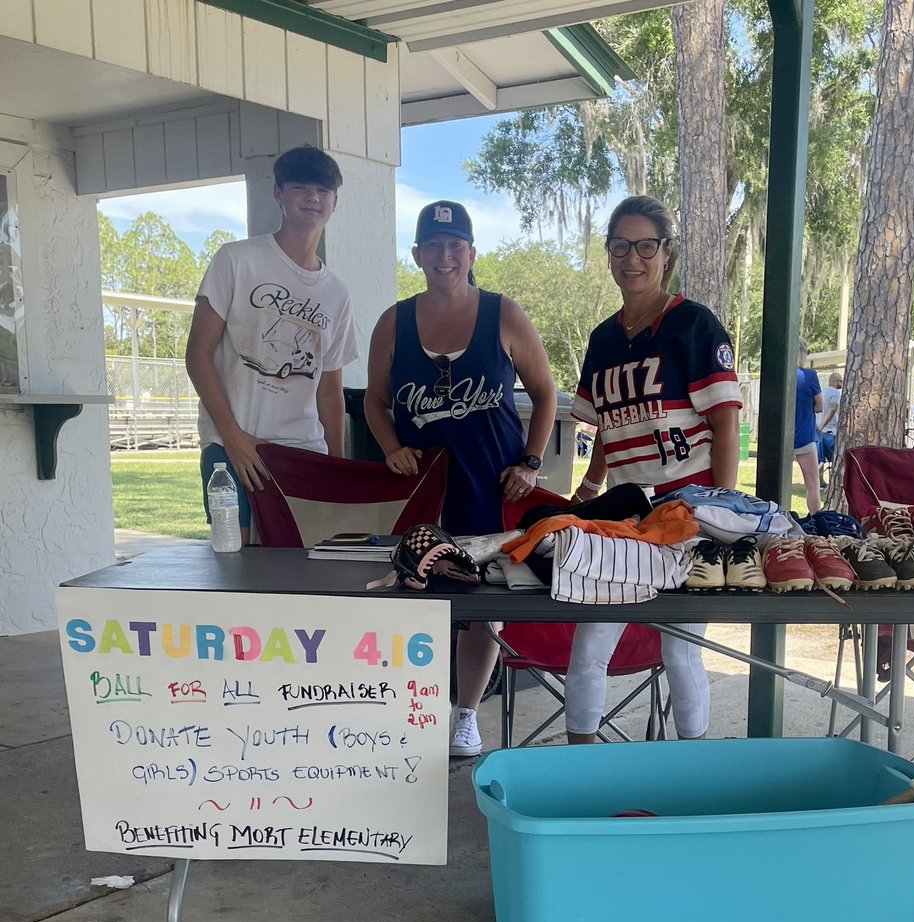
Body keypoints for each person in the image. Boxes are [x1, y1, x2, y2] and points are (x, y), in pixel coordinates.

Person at [364, 200, 557, 756]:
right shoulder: (394, 320)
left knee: (482, 605)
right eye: (433, 245)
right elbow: (376, 403)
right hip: (419, 490)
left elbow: (545, 394)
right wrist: (392, 446)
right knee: (408, 591)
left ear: (471, 253)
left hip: (489, 486)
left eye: (456, 245)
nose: (445, 255)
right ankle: (403, 712)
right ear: (418, 253)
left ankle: (464, 714)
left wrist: (531, 460)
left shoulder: (504, 314)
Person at [567, 195, 742, 745]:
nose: (632, 258)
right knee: (591, 641)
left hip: (686, 509)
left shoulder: (693, 324)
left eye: (646, 245)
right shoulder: (601, 339)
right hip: (623, 514)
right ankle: (578, 772)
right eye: (621, 246)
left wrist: (721, 510)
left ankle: (690, 765)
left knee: (680, 647)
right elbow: (604, 422)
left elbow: (726, 423)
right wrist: (591, 483)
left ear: (667, 252)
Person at [186, 146, 359, 544]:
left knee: (306, 568)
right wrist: (232, 435)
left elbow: (330, 389)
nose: (312, 197)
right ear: (279, 194)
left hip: (303, 452)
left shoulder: (336, 292)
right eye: (300, 187)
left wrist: (336, 464)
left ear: (335, 201)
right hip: (232, 448)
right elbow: (197, 355)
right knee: (238, 564)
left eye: (322, 189)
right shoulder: (236, 260)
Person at [792, 340, 824, 516]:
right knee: (812, 484)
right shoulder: (809, 375)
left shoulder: (780, 375)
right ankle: (815, 518)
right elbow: (820, 406)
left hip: (781, 437)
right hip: (804, 434)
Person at [817, 368, 842, 471]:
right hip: (831, 432)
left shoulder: (822, 392)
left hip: (819, 432)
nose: (841, 383)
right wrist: (823, 425)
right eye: (840, 381)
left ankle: (821, 483)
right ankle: (832, 481)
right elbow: (833, 409)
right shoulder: (836, 393)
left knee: (820, 459)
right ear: (835, 381)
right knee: (834, 459)